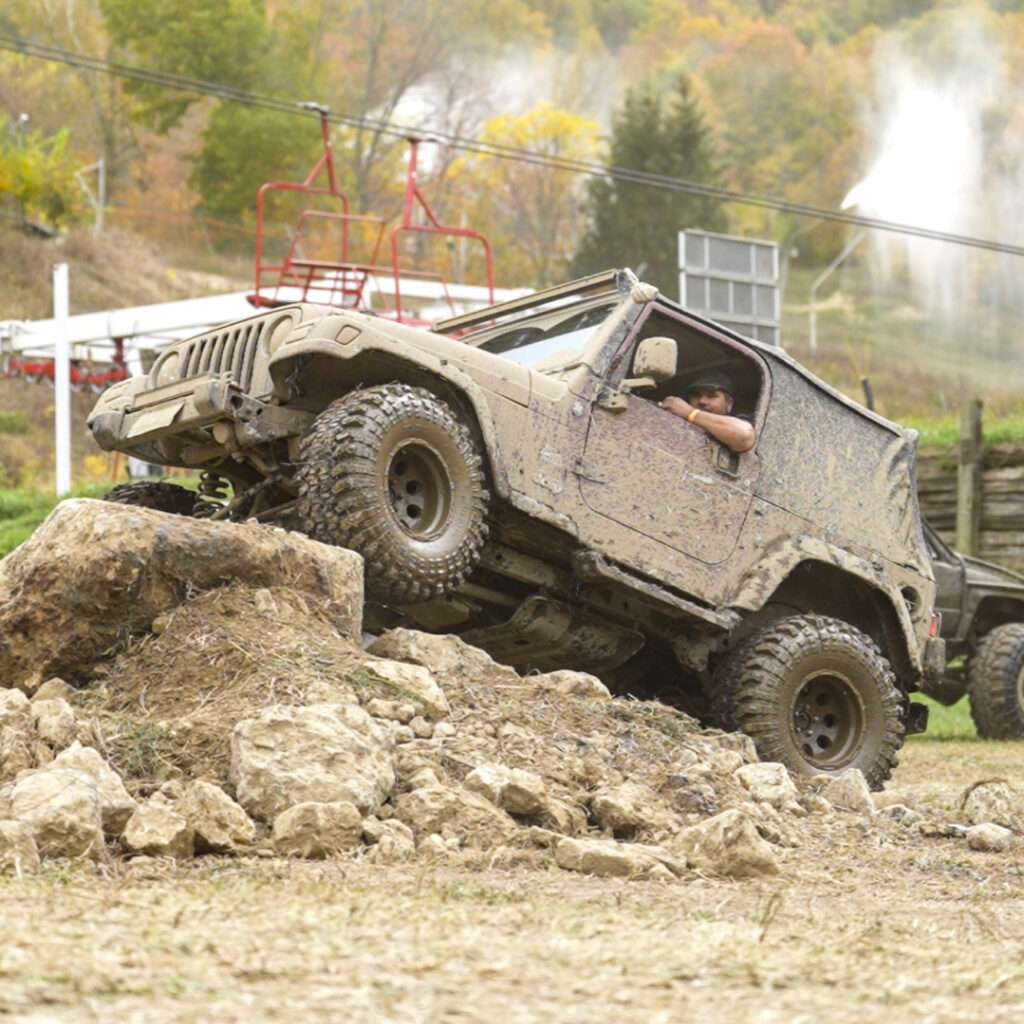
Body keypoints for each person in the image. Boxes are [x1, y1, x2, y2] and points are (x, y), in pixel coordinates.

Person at [660, 369, 755, 453]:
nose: (702, 401)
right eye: (697, 395)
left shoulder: (739, 422)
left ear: (729, 404)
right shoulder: (679, 424)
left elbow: (744, 436)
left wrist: (690, 413)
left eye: (711, 395)